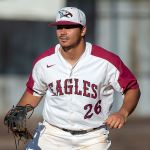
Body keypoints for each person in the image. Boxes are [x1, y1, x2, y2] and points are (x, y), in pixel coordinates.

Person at [10, 7, 141, 150]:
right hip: (52, 134)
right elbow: (34, 92)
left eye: (69, 27)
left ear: (83, 30)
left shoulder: (106, 61)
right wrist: (18, 112)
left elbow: (131, 88)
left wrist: (123, 112)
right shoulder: (44, 62)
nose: (63, 32)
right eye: (59, 27)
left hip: (92, 138)